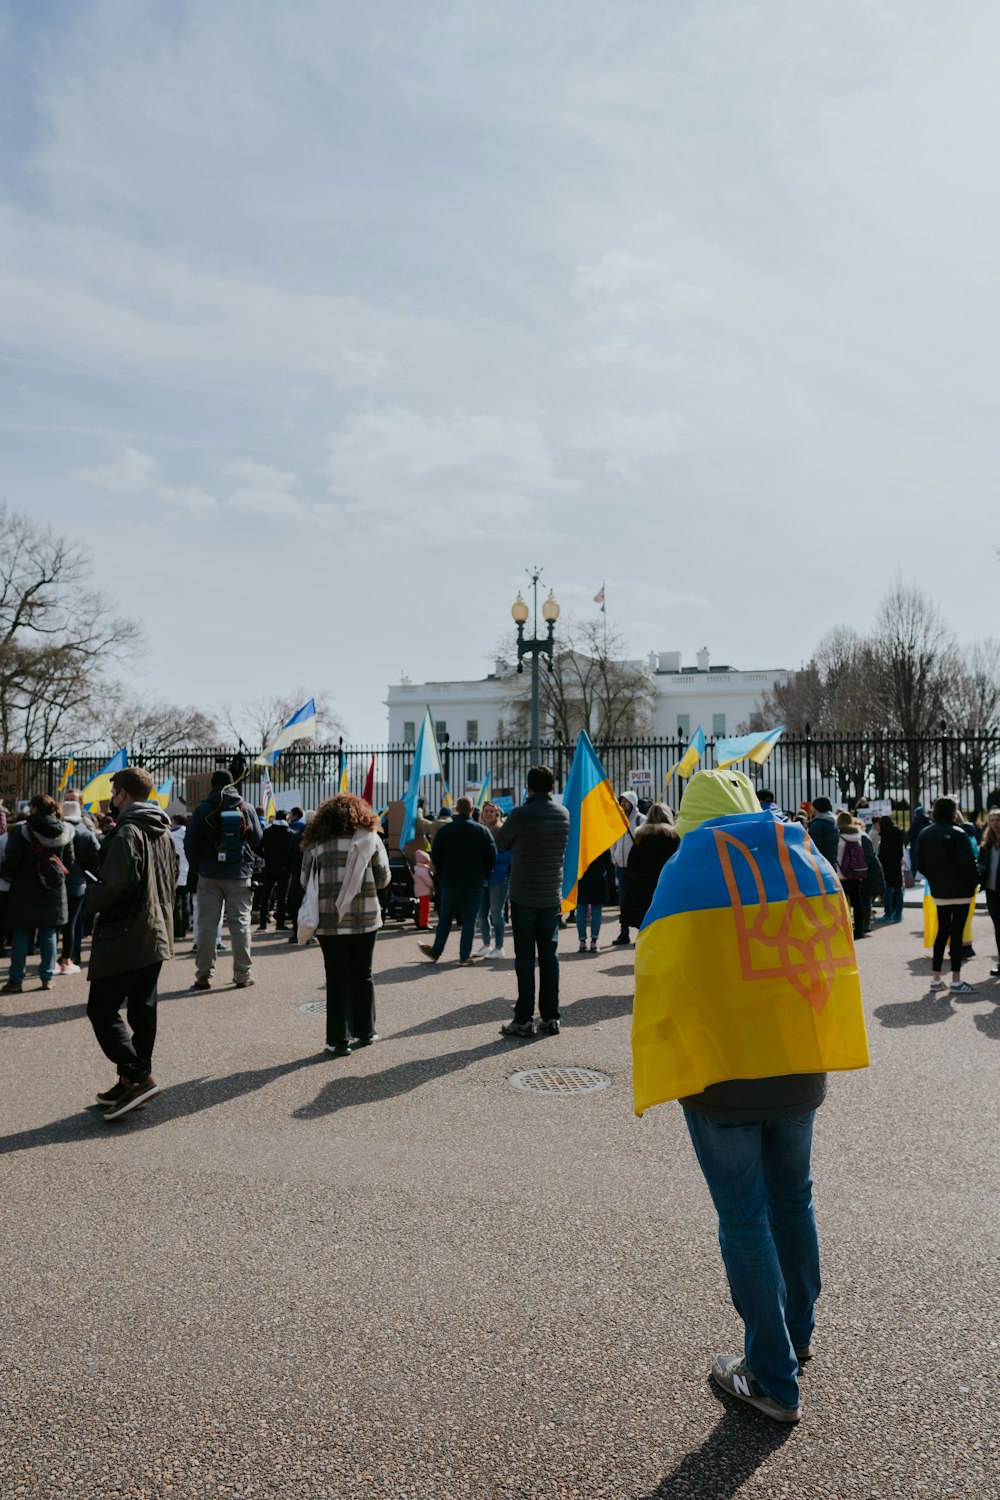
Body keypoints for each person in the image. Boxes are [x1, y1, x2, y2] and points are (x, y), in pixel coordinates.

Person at [632, 768, 868, 1424]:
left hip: (722, 1072)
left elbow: (655, 965)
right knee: (795, 1196)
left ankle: (771, 1379)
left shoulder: (688, 867)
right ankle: (796, 1334)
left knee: (744, 1215)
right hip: (798, 1059)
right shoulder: (803, 857)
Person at [85, 767, 178, 1120]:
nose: (111, 798)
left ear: (122, 794)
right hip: (155, 931)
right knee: (142, 1009)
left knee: (102, 1009)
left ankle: (137, 1077)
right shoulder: (163, 830)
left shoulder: (129, 830)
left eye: (113, 791)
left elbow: (114, 885)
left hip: (127, 931)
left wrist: (91, 893)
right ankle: (131, 1081)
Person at [300, 793, 391, 1056]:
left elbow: (305, 881)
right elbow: (383, 879)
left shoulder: (315, 844)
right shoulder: (370, 839)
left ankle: (338, 1039)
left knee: (337, 977)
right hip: (365, 918)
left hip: (328, 920)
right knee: (363, 974)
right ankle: (366, 1031)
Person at [494, 765, 570, 1038]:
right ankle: (550, 1017)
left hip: (524, 894)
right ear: (552, 787)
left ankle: (524, 1019)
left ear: (529, 787)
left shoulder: (520, 815)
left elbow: (500, 842)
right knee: (550, 957)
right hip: (551, 895)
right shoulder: (563, 814)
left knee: (525, 959)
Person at [185, 770, 263, 991]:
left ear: (212, 784)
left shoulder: (202, 809)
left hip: (209, 874)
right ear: (233, 783)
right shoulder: (245, 807)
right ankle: (242, 974)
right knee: (240, 925)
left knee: (207, 925)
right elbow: (257, 839)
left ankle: (203, 975)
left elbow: (190, 844)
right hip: (239, 873)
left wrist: (199, 866)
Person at [1, 793, 74, 994]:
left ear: (33, 808)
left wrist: (10, 874)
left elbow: (12, 861)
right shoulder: (65, 831)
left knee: (21, 934)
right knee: (49, 933)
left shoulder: (24, 830)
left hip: (24, 889)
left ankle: (16, 980)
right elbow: (70, 861)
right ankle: (47, 977)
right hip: (53, 890)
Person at [417, 797, 496, 964]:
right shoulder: (481, 830)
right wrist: (485, 874)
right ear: (472, 810)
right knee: (469, 919)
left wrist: (442, 873)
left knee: (445, 917)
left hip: (450, 881)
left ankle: (436, 950)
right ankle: (464, 955)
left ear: (456, 810)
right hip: (475, 882)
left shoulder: (446, 831)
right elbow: (491, 855)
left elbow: (435, 856)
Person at [914, 796, 979, 995]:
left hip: (939, 890)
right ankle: (956, 980)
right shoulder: (958, 833)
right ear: (953, 811)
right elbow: (968, 864)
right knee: (957, 934)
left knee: (942, 932)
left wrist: (935, 878)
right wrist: (975, 879)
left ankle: (935, 978)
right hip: (961, 891)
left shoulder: (925, 833)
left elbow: (920, 863)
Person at [58, 797, 101, 974]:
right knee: (74, 922)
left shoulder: (58, 830)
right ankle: (72, 956)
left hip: (58, 880)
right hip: (78, 882)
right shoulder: (85, 832)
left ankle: (56, 958)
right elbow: (96, 857)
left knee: (55, 924)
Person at [624, 802, 679, 929]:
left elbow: (631, 862)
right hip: (665, 883)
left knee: (643, 919)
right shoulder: (674, 836)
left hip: (643, 883)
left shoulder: (640, 836)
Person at [610, 789, 645, 946]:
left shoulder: (640, 820)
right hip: (621, 867)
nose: (623, 804)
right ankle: (624, 933)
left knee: (639, 900)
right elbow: (614, 842)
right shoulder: (619, 820)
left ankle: (641, 935)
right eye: (622, 801)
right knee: (623, 902)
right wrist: (614, 858)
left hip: (636, 869)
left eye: (626, 801)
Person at [475, 801, 511, 957]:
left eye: (491, 811)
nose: (488, 813)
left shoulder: (503, 830)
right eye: (486, 811)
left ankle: (499, 947)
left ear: (497, 813)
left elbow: (510, 853)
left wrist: (493, 859)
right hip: (482, 877)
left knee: (496, 913)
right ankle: (486, 944)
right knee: (481, 914)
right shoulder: (480, 829)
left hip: (498, 877)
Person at [258, 809, 294, 931]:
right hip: (284, 869)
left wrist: (266, 857)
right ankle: (280, 924)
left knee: (266, 896)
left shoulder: (267, 832)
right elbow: (292, 853)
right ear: (286, 818)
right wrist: (286, 864)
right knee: (282, 897)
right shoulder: (290, 833)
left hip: (269, 867)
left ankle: (262, 924)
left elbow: (257, 848)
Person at [835, 812, 868, 941]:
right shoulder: (857, 835)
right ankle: (860, 929)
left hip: (841, 873)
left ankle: (844, 929)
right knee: (857, 901)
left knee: (842, 903)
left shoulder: (838, 837)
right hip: (855, 873)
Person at [574, 848, 614, 952]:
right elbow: (608, 862)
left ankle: (582, 942)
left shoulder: (580, 842)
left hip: (582, 877)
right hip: (598, 878)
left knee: (581, 910)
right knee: (597, 911)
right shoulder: (602, 843)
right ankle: (594, 942)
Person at [978, 808, 1000, 976]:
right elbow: (981, 864)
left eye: (997, 820)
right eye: (992, 820)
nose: (995, 823)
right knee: (997, 927)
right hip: (991, 891)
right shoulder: (986, 844)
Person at [876, 816, 905, 924]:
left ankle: (888, 913)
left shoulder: (885, 835)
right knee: (898, 888)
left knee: (887, 889)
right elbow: (900, 850)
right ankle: (898, 913)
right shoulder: (898, 833)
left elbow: (882, 853)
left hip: (886, 864)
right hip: (896, 863)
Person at [170, 815, 191, 940]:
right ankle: (185, 926)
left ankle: (178, 930)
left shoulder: (173, 835)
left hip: (177, 873)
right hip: (188, 871)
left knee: (177, 902)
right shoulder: (187, 833)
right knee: (186, 902)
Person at [806, 797, 840, 868]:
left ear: (816, 808)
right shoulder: (833, 823)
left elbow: (813, 848)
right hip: (831, 864)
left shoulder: (817, 825)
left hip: (820, 866)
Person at [412, 846, 434, 929]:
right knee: (425, 909)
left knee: (423, 908)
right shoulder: (423, 870)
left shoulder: (418, 869)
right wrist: (433, 886)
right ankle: (423, 924)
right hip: (424, 892)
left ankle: (422, 923)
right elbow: (428, 881)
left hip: (421, 891)